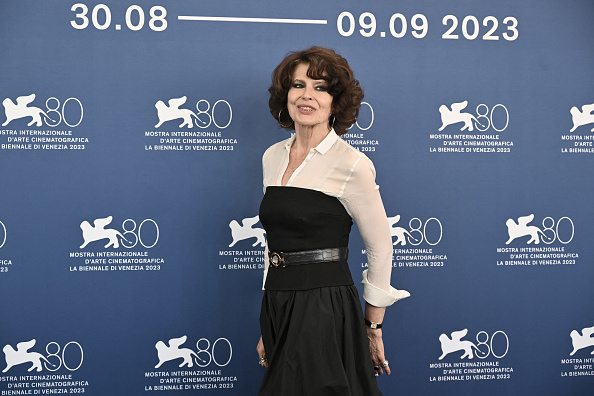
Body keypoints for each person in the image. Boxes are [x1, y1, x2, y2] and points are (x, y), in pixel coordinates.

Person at [256, 46, 410, 396]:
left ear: (335, 101)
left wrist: (373, 326)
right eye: (298, 85)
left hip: (323, 304)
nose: (307, 95)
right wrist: (268, 323)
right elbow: (274, 245)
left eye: (320, 87)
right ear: (286, 95)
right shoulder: (271, 157)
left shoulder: (351, 163)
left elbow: (381, 247)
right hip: (278, 300)